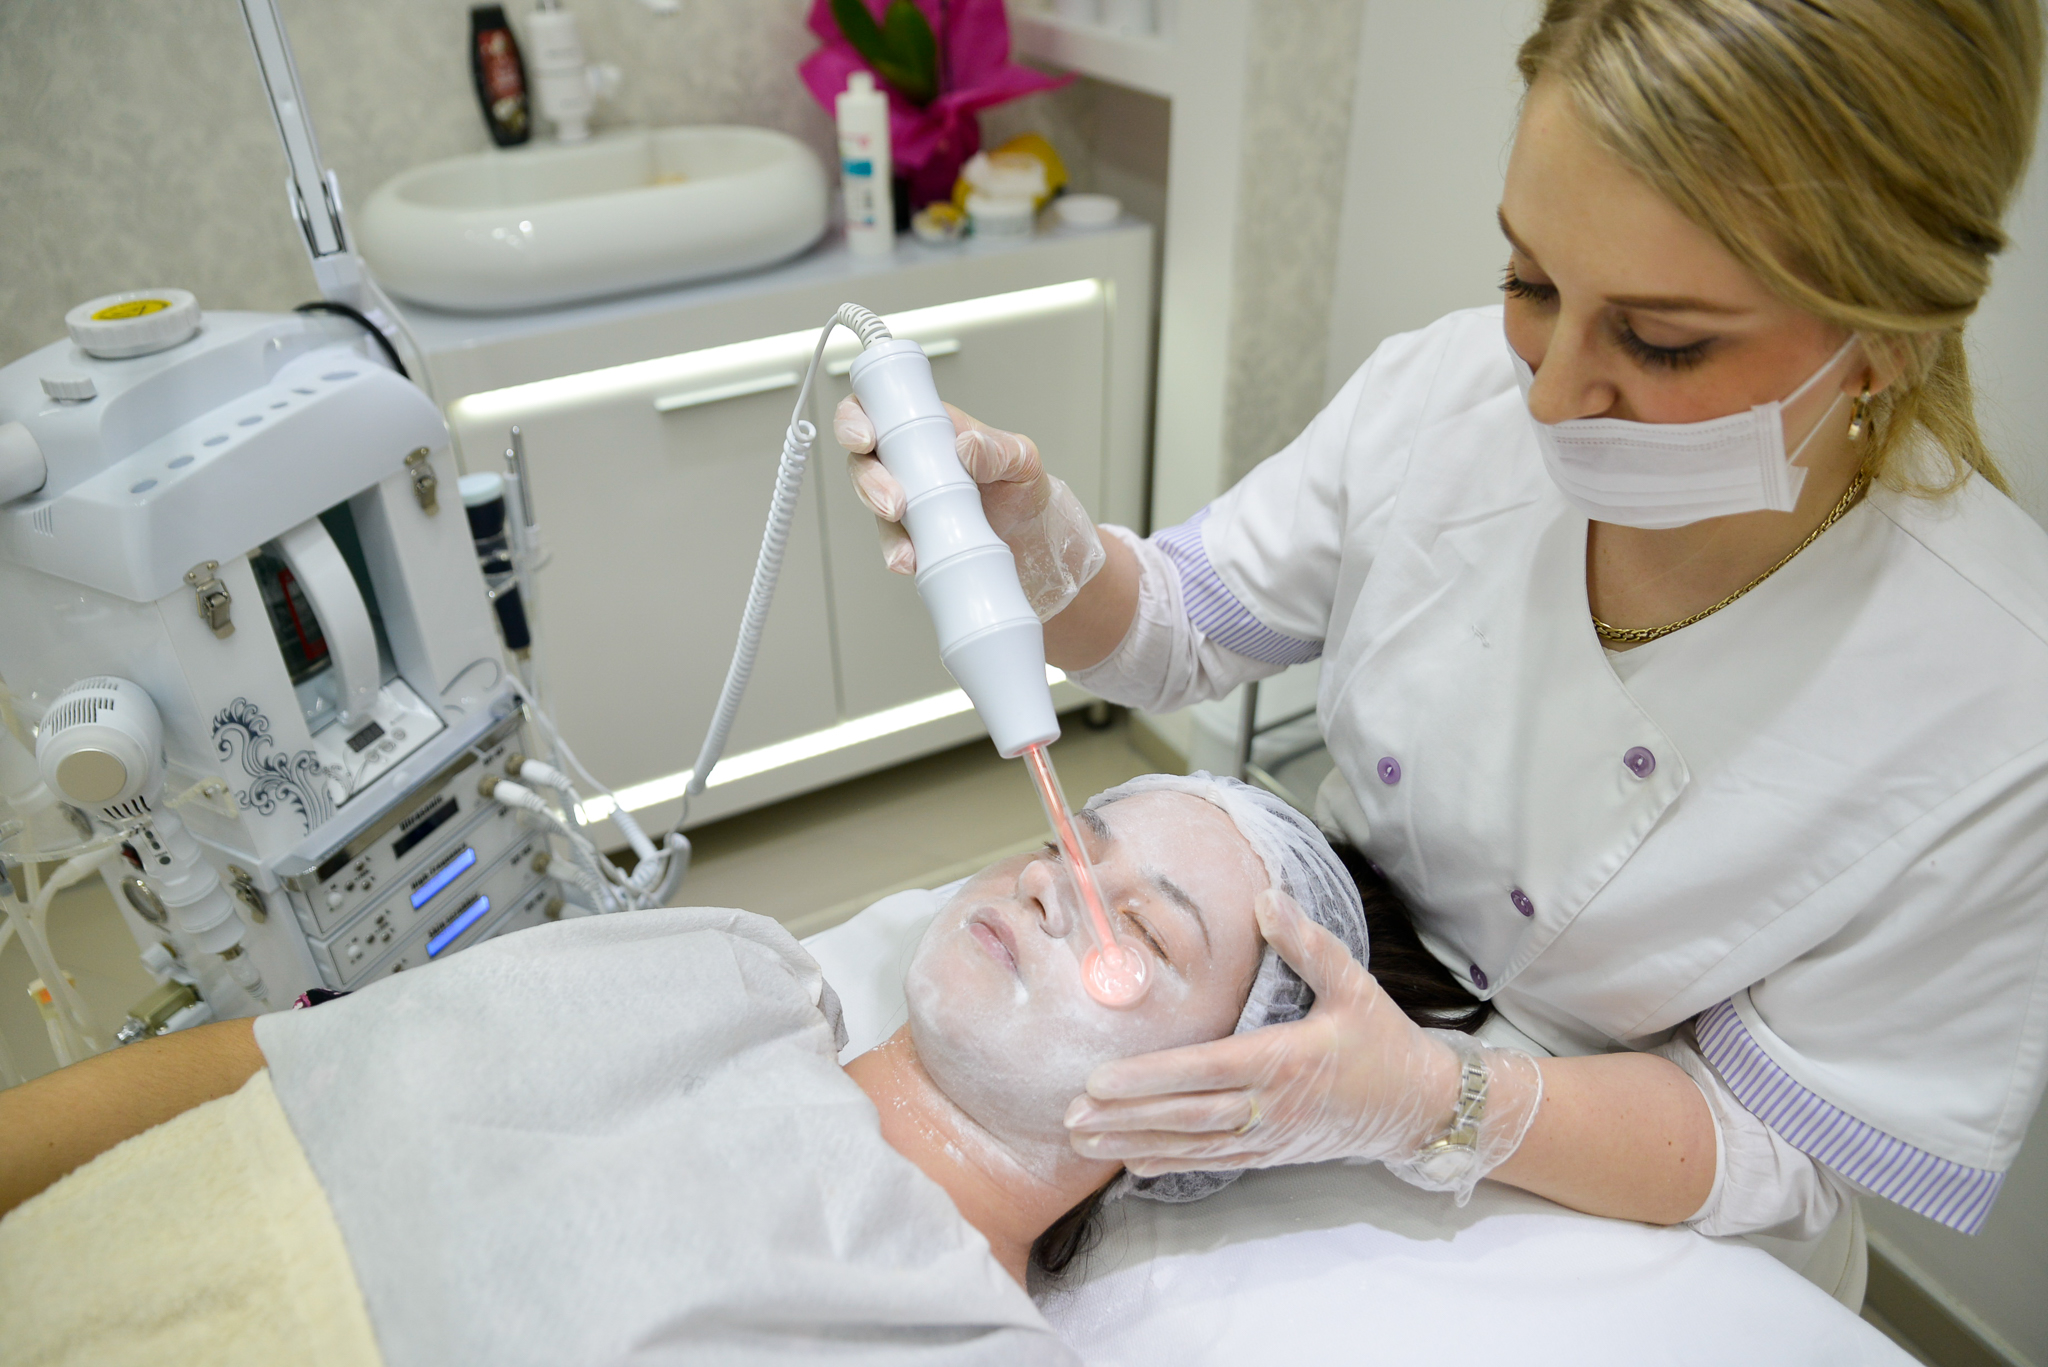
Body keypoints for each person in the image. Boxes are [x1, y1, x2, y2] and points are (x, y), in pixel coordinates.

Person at [837, 0, 2048, 1284]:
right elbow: (1181, 623)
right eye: (1530, 282)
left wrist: (1439, 1099)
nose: (1547, 393)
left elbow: (1780, 1140)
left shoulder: (1994, 701)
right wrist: (1045, 550)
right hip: (1348, 994)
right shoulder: (1447, 391)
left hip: (1636, 1208)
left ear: (1887, 336)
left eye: (1659, 340)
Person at [0, 774, 1466, 1365]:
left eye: (1141, 925)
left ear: (1215, 1113)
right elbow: (262, 1070)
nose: (1052, 881)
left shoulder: (963, 1341)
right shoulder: (721, 966)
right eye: (1067, 840)